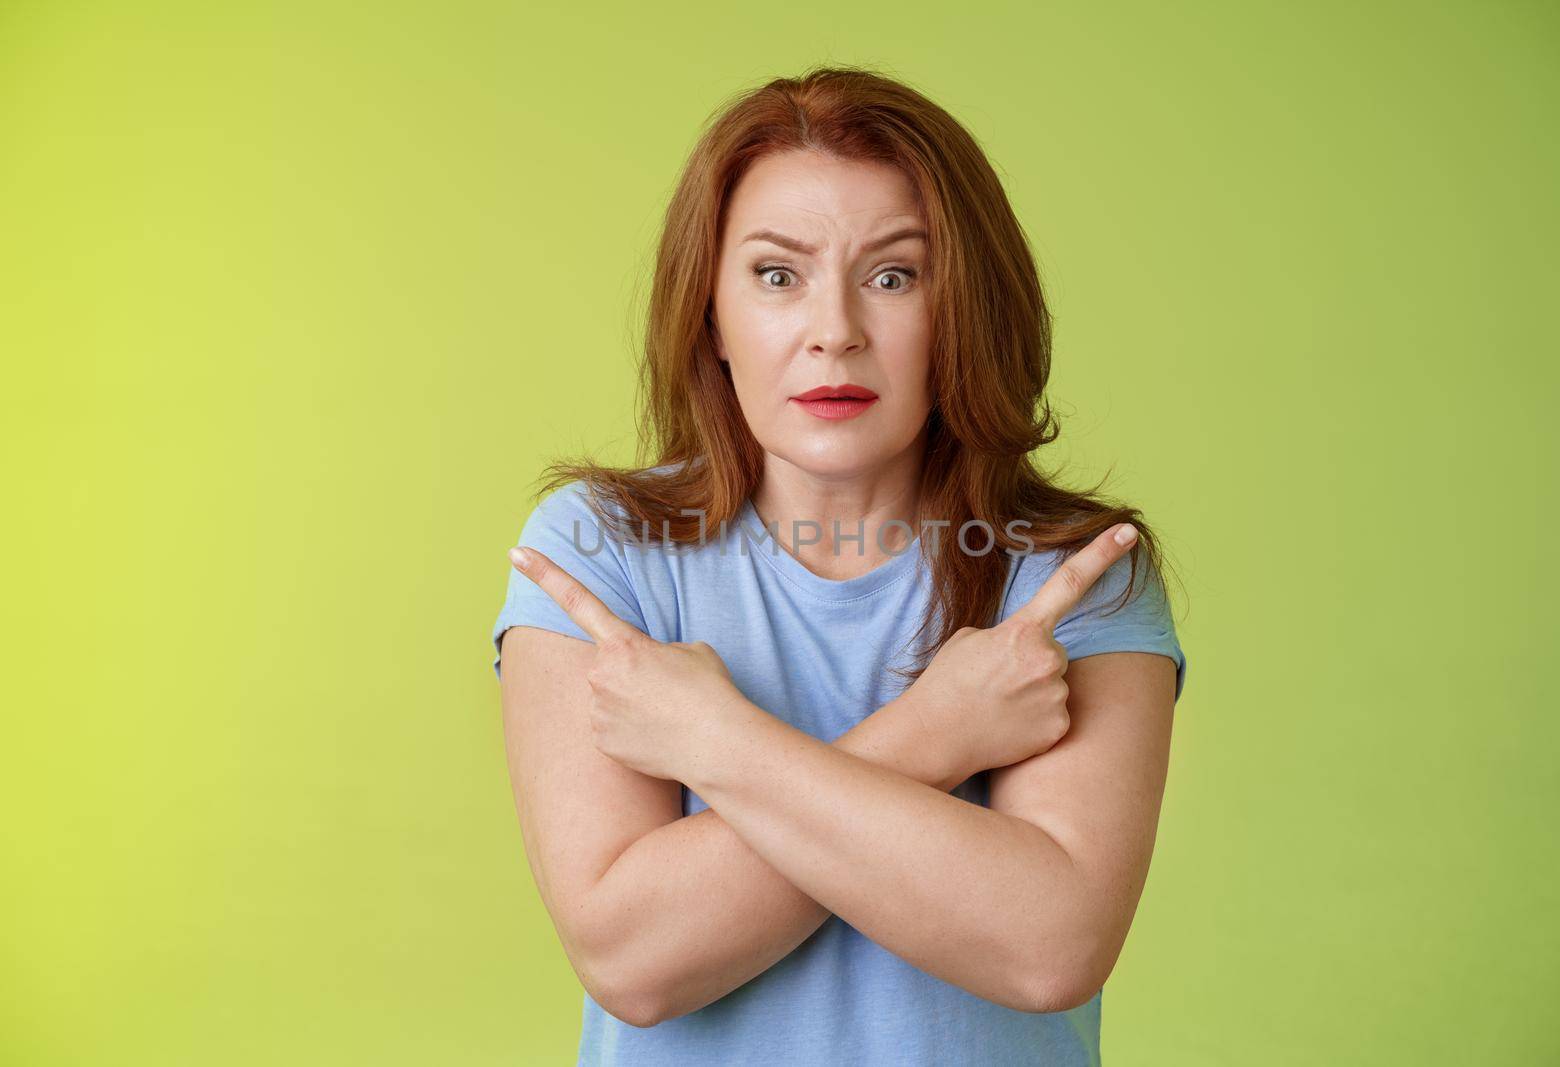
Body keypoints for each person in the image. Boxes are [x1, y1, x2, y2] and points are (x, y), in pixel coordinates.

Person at [490, 65, 1187, 1066]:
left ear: (964, 310)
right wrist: (937, 731)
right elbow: (634, 958)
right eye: (777, 275)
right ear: (710, 315)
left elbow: (1049, 947)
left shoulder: (1074, 575)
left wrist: (712, 739)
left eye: (893, 275)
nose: (834, 332)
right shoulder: (600, 550)